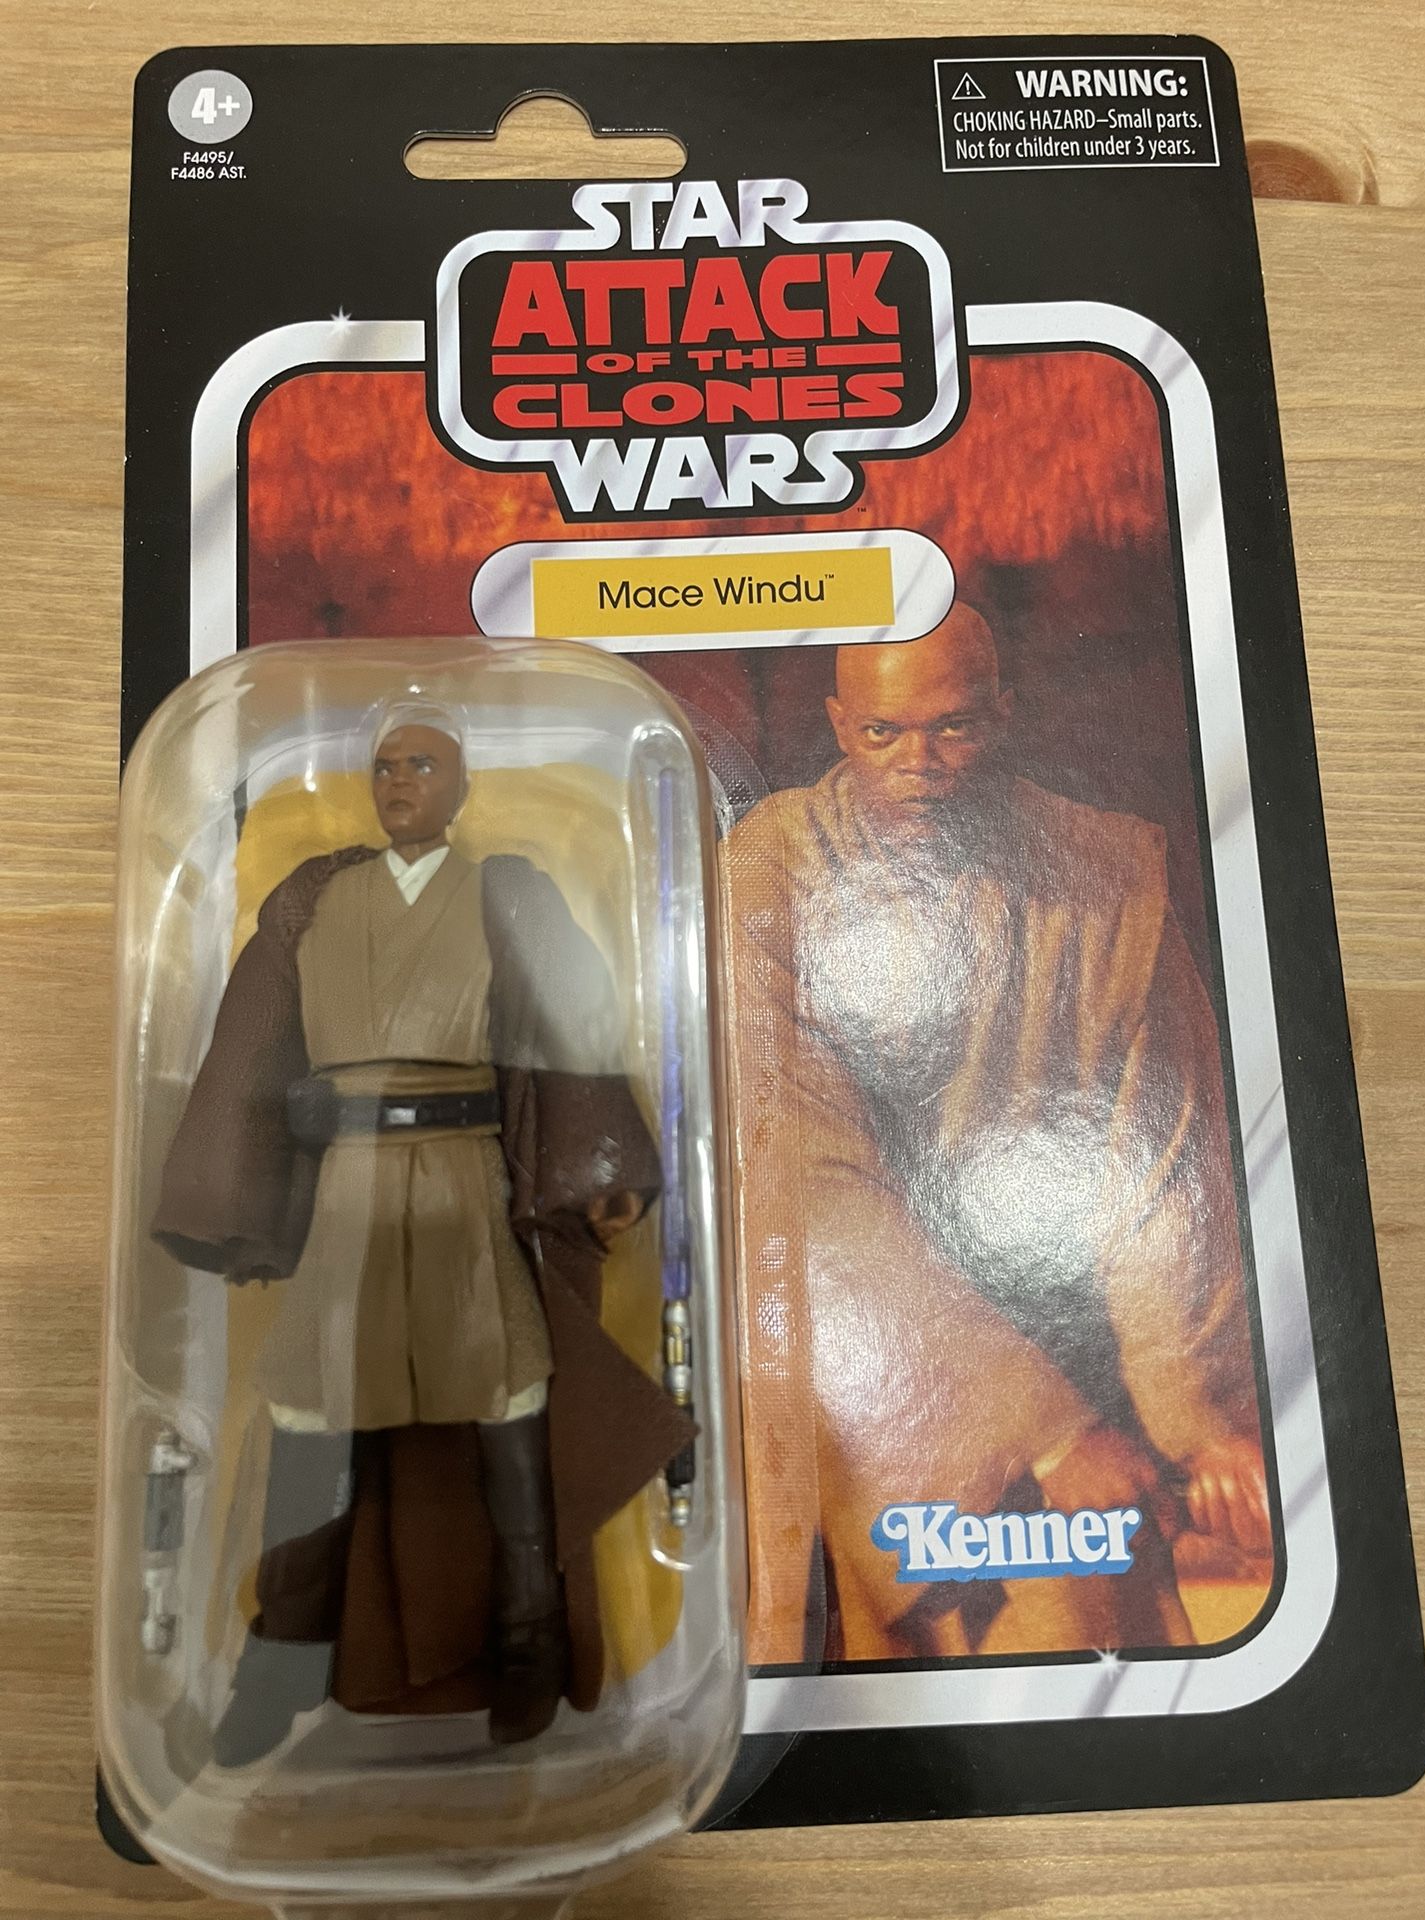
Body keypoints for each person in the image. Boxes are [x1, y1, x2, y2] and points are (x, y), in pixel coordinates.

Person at [724, 607, 1270, 1664]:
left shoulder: (1106, 877)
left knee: (1099, 1664)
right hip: (857, 1352)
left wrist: (1203, 1427)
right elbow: (804, 1173)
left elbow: (1159, 1171)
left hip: (1059, 1334)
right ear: (838, 725)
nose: (917, 765)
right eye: (882, 732)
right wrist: (1048, 1432)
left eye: (954, 727)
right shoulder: (768, 866)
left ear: (1004, 714)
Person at [153, 703, 691, 1761]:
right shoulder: (313, 898)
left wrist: (601, 1164)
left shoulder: (504, 892)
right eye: (388, 766)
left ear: (461, 788)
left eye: (424, 766)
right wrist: (228, 1198)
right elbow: (251, 1045)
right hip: (349, 1183)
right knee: (309, 1406)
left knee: (509, 1394)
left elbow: (575, 1020)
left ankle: (529, 1638)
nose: (401, 783)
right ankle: (282, 1655)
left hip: (460, 1174)